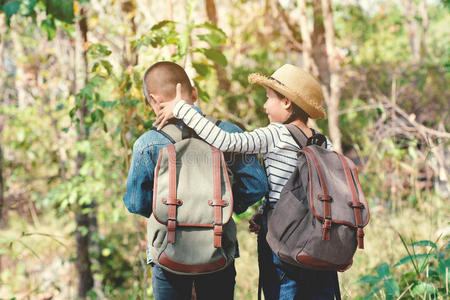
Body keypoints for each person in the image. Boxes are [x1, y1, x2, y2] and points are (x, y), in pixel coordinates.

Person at [155, 64, 338, 300]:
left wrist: (183, 109)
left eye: (268, 98)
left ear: (287, 103)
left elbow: (225, 141)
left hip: (283, 240)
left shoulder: (275, 134)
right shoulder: (323, 142)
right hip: (319, 243)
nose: (264, 105)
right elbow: (298, 187)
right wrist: (264, 212)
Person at [123, 61, 268, 300]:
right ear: (195, 92)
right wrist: (225, 206)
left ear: (153, 100)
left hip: (167, 252)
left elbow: (135, 203)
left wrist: (172, 211)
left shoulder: (147, 143)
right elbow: (257, 185)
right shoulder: (229, 132)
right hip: (218, 249)